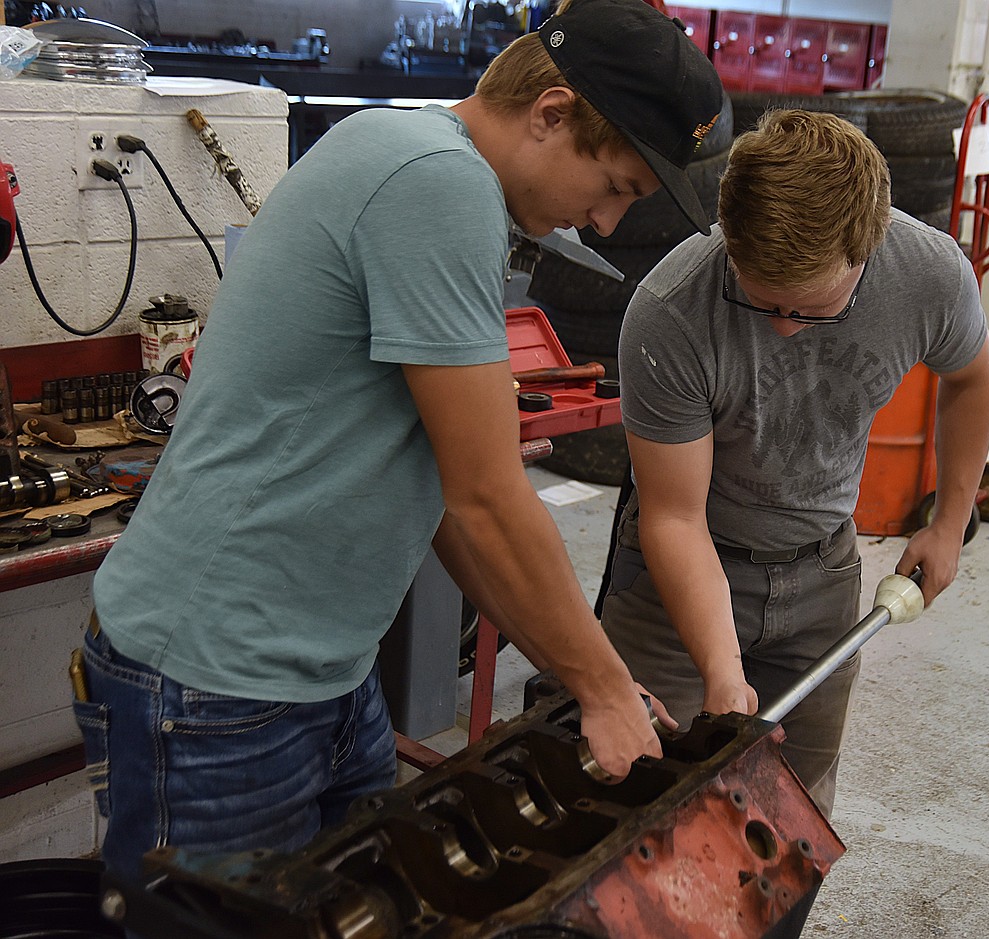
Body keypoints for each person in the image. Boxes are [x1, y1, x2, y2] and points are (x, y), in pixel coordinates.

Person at [75, 0, 725, 884]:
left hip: (323, 675)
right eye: (613, 186)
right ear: (552, 113)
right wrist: (604, 690)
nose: (605, 222)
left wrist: (591, 673)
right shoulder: (436, 183)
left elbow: (445, 491)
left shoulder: (413, 155)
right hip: (215, 684)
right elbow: (489, 496)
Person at [600, 109, 989, 819]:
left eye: (810, 306)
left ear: (865, 253)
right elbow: (673, 515)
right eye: (760, 298)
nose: (783, 324)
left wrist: (950, 520)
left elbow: (973, 378)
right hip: (682, 571)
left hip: (824, 573)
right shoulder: (671, 310)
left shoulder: (928, 275)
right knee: (635, 801)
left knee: (790, 821)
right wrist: (721, 668)